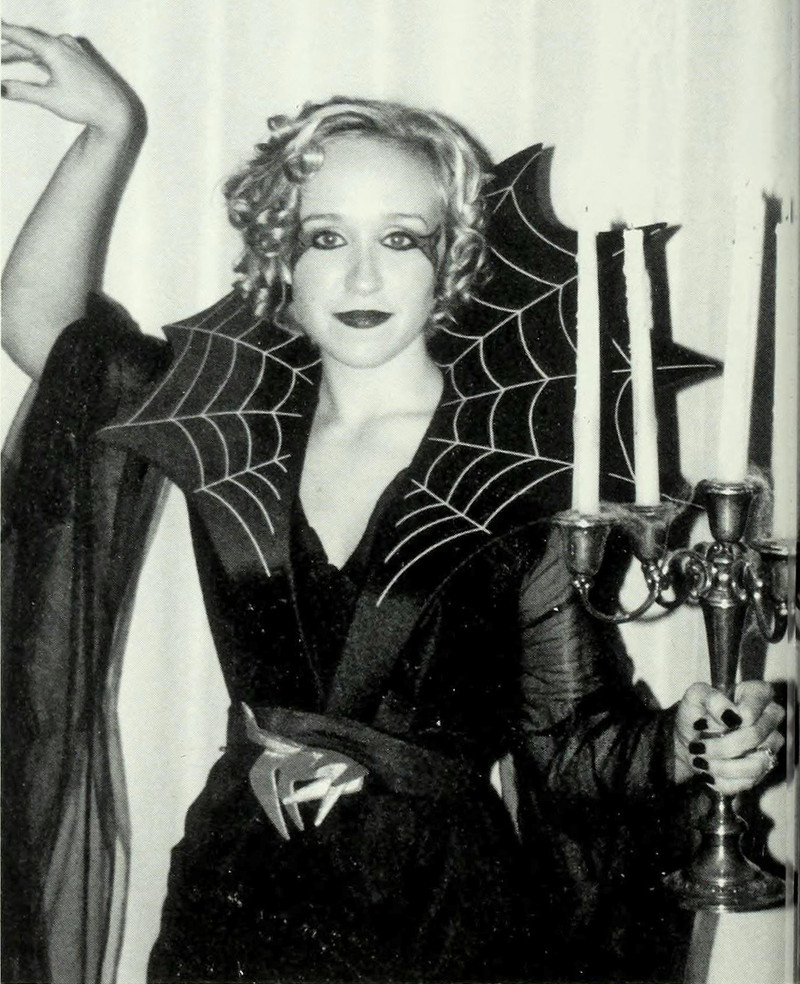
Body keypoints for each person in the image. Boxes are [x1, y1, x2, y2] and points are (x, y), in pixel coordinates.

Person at [1, 24, 787, 984]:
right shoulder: (234, 421)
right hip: (236, 887)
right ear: (280, 258)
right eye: (326, 237)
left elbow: (573, 746)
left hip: (436, 914)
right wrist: (109, 133)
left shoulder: (522, 472)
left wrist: (687, 744)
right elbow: (45, 331)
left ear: (450, 260)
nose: (363, 276)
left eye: (401, 239)